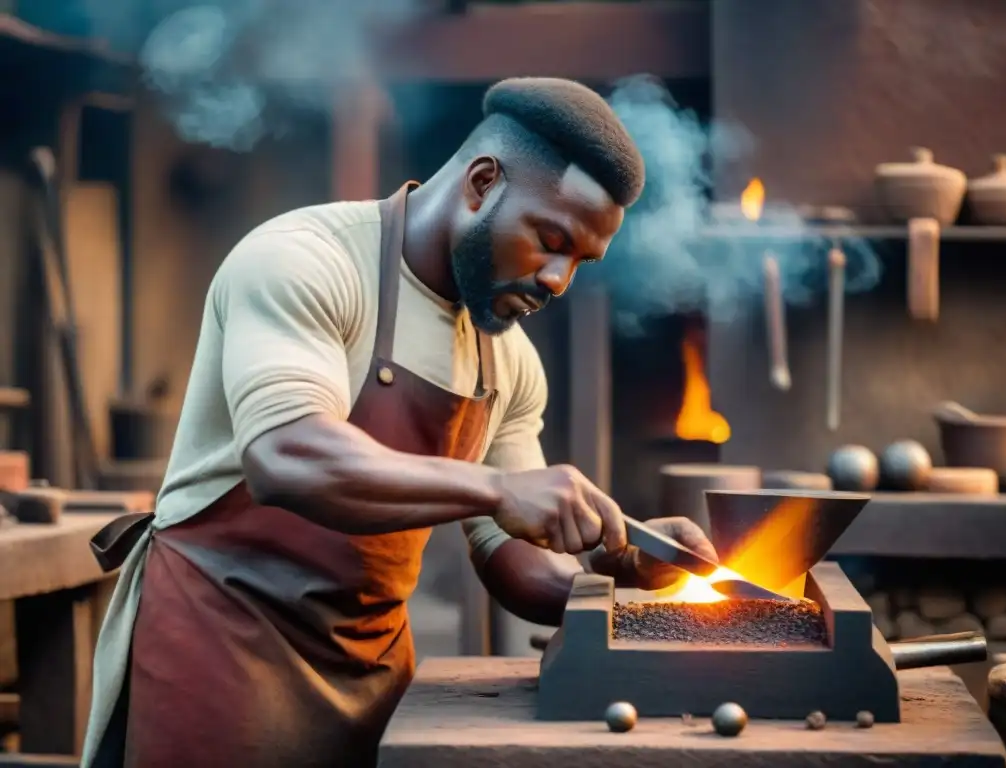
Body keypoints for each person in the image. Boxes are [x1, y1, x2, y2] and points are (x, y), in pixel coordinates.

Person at [82, 77, 718, 768]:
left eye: (580, 262)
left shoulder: (507, 360)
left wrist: (621, 578)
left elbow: (515, 559)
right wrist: (499, 491)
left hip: (374, 673)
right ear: (481, 183)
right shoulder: (304, 261)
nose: (559, 279)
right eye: (550, 238)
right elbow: (287, 457)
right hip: (221, 648)